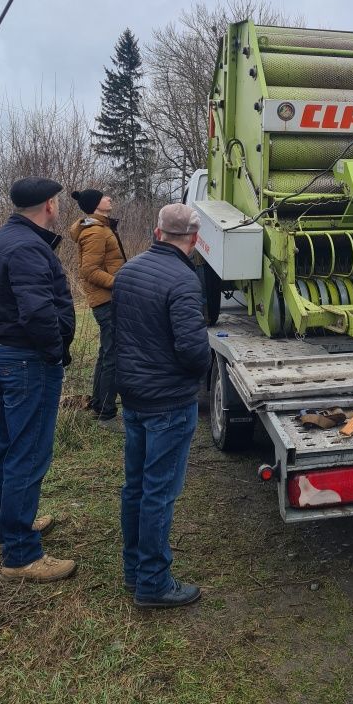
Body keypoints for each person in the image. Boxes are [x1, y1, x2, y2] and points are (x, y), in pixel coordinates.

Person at [112, 202, 211, 608]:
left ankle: (134, 572)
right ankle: (153, 583)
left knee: (135, 487)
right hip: (169, 404)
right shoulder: (183, 281)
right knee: (158, 493)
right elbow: (192, 349)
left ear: (156, 233)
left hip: (134, 398)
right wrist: (203, 366)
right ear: (194, 239)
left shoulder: (128, 271)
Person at [0, 177, 77, 582]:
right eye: (56, 200)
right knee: (28, 454)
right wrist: (54, 353)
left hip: (8, 357)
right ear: (49, 205)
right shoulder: (25, 247)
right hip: (26, 361)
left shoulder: (8, 238)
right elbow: (37, 312)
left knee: (10, 448)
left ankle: (11, 527)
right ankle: (20, 555)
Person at [69, 188, 126, 432]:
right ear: (95, 204)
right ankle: (107, 414)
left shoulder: (101, 228)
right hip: (106, 301)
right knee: (113, 355)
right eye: (104, 196)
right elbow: (89, 271)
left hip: (108, 299)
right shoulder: (94, 232)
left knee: (106, 354)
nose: (109, 198)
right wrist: (120, 283)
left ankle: (99, 405)